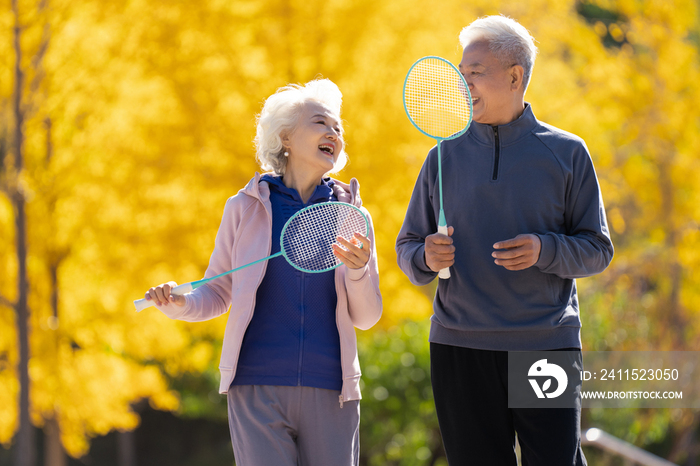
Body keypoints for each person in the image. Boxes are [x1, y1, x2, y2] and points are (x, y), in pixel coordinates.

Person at [396, 15, 613, 465]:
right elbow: (407, 248)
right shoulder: (442, 156)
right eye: (460, 72)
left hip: (545, 344)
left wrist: (544, 249)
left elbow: (598, 249)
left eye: (474, 72)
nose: (462, 82)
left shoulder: (567, 152)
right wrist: (427, 257)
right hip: (459, 345)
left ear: (515, 77)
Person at [144, 79, 382, 466]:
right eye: (321, 123)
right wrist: (179, 303)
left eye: (338, 128)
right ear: (285, 137)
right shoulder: (245, 207)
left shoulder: (352, 213)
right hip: (256, 387)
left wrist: (357, 273)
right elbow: (218, 292)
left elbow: (368, 317)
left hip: (331, 390)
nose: (333, 133)